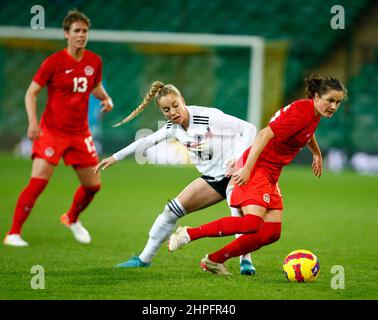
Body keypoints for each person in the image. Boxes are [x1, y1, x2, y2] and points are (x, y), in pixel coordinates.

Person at [168, 75, 347, 275]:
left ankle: (214, 260)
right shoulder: (302, 112)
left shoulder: (311, 112)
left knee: (271, 232)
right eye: (330, 100)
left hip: (271, 172)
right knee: (252, 223)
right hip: (258, 166)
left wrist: (316, 152)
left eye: (338, 102)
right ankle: (188, 234)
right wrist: (246, 168)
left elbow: (306, 131)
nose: (333, 106)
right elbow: (263, 134)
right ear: (316, 96)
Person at [94, 81, 258, 275]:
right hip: (212, 179)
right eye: (166, 109)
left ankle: (245, 261)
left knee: (236, 209)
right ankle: (143, 259)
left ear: (183, 101)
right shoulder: (172, 127)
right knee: (170, 211)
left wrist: (238, 161)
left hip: (236, 172)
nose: (172, 112)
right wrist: (115, 157)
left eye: (175, 105)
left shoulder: (209, 116)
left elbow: (249, 129)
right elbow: (146, 141)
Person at [3, 10, 114, 247]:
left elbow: (93, 85)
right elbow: (31, 93)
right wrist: (33, 123)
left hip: (80, 133)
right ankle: (13, 233)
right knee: (38, 181)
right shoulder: (53, 62)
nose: (81, 35)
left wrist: (106, 98)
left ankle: (72, 218)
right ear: (66, 34)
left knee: (93, 186)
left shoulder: (94, 61)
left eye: (84, 31)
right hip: (52, 131)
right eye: (76, 31)